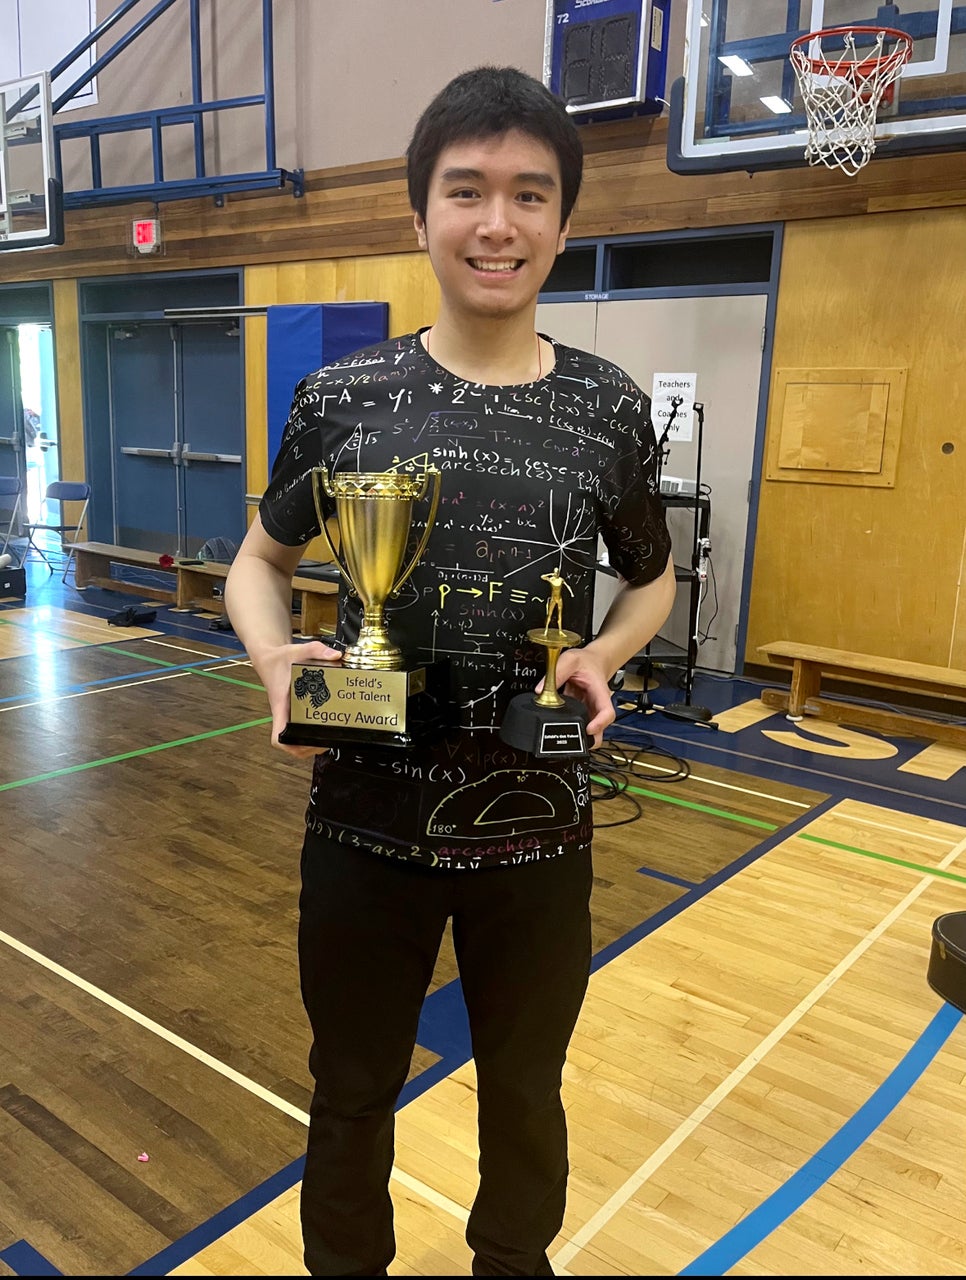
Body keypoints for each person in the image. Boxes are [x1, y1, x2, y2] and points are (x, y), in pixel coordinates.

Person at [224, 65, 675, 1278]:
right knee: (352, 1089)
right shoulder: (344, 396)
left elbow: (652, 579)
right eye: (466, 191)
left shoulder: (608, 408)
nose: (498, 223)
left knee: (525, 1094)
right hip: (363, 830)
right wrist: (278, 660)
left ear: (564, 224)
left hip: (541, 833)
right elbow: (255, 564)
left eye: (530, 195)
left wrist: (602, 650)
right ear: (418, 214)